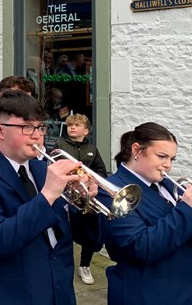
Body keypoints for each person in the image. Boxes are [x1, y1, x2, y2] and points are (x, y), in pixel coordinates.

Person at [0, 90, 100, 305]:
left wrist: (85, 202)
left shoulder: (42, 169)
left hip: (59, 292)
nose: (37, 135)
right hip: (12, 294)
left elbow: (77, 236)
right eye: (27, 127)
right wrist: (48, 195)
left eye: (40, 127)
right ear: (0, 131)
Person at [101, 122, 192, 305]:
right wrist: (189, 210)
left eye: (172, 159)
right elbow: (140, 246)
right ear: (137, 150)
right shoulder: (110, 189)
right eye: (162, 156)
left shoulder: (167, 185)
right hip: (150, 295)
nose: (167, 165)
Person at [54, 113, 107, 285]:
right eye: (70, 125)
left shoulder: (92, 148)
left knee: (90, 234)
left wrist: (91, 180)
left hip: (85, 197)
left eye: (76, 125)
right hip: (65, 195)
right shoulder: (60, 145)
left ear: (86, 131)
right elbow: (52, 167)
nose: (72, 127)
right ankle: (62, 264)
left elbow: (101, 171)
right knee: (64, 232)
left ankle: (85, 265)